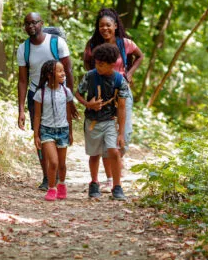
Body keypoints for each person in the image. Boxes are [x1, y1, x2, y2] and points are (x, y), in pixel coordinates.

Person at [83, 8, 144, 191]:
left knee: (124, 134)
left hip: (122, 91)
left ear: (115, 26)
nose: (105, 29)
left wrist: (130, 73)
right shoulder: (92, 44)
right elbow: (88, 66)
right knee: (104, 133)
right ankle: (110, 178)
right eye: (101, 26)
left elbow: (140, 56)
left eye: (108, 25)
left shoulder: (125, 43)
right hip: (101, 94)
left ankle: (116, 161)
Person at [17, 12, 77, 190]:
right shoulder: (23, 48)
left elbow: (69, 71)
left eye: (34, 22)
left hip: (59, 94)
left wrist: (71, 100)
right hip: (37, 94)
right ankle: (46, 176)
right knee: (41, 134)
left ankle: (58, 172)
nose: (31, 26)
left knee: (60, 131)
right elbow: (22, 80)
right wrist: (21, 109)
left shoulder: (57, 43)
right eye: (27, 23)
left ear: (41, 23)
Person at [75, 43, 130, 201]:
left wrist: (121, 132)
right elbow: (78, 94)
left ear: (112, 64)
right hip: (93, 121)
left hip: (110, 121)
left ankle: (117, 186)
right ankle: (94, 182)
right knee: (94, 154)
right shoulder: (90, 76)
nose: (98, 66)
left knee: (113, 151)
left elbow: (122, 107)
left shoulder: (120, 80)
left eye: (101, 64)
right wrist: (88, 104)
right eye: (96, 63)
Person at [33, 60, 75, 201]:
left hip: (63, 130)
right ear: (50, 74)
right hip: (47, 130)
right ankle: (52, 188)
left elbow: (68, 113)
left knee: (62, 164)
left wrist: (70, 132)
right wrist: (36, 135)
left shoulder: (65, 91)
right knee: (54, 162)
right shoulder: (41, 93)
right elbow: (37, 115)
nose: (63, 73)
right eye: (59, 71)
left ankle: (62, 184)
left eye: (63, 70)